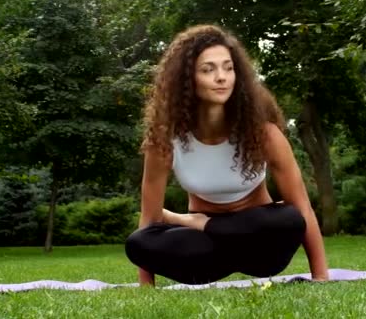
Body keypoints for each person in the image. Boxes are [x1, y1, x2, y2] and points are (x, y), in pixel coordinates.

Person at [125, 24, 328, 286]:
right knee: (137, 243)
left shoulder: (264, 133)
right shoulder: (165, 140)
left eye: (228, 68)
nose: (222, 77)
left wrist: (321, 277)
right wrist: (146, 286)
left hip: (259, 242)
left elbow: (302, 209)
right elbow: (150, 221)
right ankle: (201, 227)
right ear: (187, 79)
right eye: (208, 69)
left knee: (288, 219)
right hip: (208, 253)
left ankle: (195, 222)